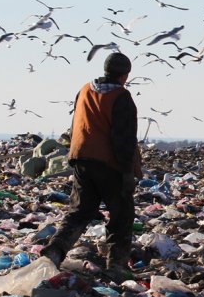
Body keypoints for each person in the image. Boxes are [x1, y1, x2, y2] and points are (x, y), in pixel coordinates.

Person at [43, 52, 142, 282]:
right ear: (124, 75)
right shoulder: (121, 97)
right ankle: (116, 266)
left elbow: (76, 123)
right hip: (110, 164)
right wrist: (128, 172)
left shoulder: (85, 90)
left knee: (80, 211)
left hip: (82, 159)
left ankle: (54, 252)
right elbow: (123, 139)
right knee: (121, 214)